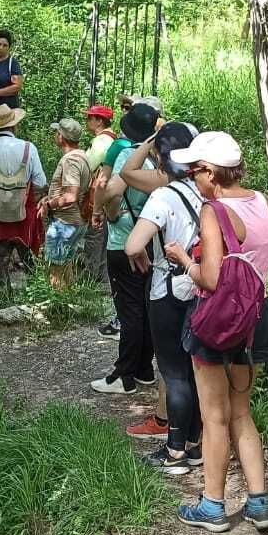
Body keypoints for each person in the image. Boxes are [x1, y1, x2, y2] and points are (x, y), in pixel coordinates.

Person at [159, 132, 268, 533]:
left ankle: (212, 506)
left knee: (215, 417)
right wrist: (256, 254)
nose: (192, 179)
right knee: (241, 410)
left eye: (194, 172)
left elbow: (208, 278)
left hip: (217, 321)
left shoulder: (213, 210)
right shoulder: (262, 200)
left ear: (210, 172)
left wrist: (179, 258)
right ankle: (260, 502)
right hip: (256, 317)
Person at [121, 122, 205, 474]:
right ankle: (195, 446)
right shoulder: (208, 190)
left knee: (174, 374)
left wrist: (136, 253)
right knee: (196, 371)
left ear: (160, 156)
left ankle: (174, 453)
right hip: (203, 287)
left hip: (167, 291)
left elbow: (133, 244)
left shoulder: (164, 195)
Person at [93, 102, 160, 403]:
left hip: (123, 242)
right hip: (147, 239)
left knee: (128, 310)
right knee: (143, 307)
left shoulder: (126, 156)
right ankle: (145, 368)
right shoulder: (155, 160)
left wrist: (108, 212)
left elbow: (111, 189)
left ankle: (125, 376)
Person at [0, 105, 47, 301]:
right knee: (30, 260)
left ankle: (3, 301)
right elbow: (41, 182)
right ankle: (36, 299)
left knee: (0, 262)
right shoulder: (28, 148)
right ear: (14, 126)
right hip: (25, 214)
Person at [39, 118, 93, 290]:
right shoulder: (82, 156)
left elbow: (71, 196)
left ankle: (57, 308)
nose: (56, 135)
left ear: (61, 137)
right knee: (65, 264)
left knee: (55, 268)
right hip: (75, 221)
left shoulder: (70, 160)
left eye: (57, 132)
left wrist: (49, 205)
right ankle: (68, 303)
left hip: (65, 223)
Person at [82, 105, 117, 299]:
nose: (88, 121)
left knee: (95, 235)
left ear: (99, 121)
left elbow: (88, 165)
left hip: (100, 194)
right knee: (103, 234)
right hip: (110, 193)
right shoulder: (113, 138)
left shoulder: (102, 141)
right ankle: (103, 276)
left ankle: (91, 277)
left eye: (90, 118)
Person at [0, 30, 24, 110]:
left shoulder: (12, 63)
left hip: (9, 110)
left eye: (5, 45)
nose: (1, 47)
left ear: (9, 48)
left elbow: (17, 86)